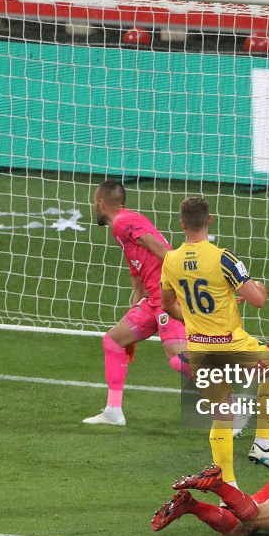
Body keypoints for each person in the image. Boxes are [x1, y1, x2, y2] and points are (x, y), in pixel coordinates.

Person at [159, 196, 269, 489]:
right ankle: (262, 445)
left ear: (182, 224)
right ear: (210, 221)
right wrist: (261, 288)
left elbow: (167, 305)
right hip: (231, 344)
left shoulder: (171, 260)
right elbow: (259, 301)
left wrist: (188, 317)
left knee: (222, 411)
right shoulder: (224, 258)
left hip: (200, 349)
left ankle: (228, 481)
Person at [83, 180, 190, 426]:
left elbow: (161, 249)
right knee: (114, 340)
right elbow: (137, 273)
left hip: (166, 297)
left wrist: (185, 284)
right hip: (151, 299)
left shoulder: (123, 221)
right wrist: (134, 314)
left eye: (93, 203)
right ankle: (113, 411)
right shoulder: (120, 230)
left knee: (178, 359)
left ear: (101, 202)